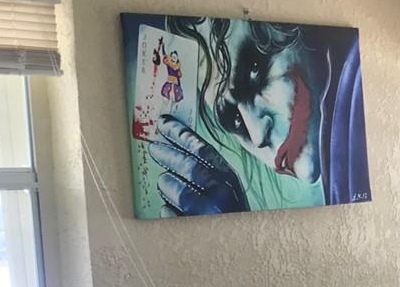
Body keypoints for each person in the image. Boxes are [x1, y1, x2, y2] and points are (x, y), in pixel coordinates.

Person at [147, 17, 370, 215]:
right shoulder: (342, 174)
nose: (257, 135)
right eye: (234, 119)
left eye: (254, 69)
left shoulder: (359, 82)